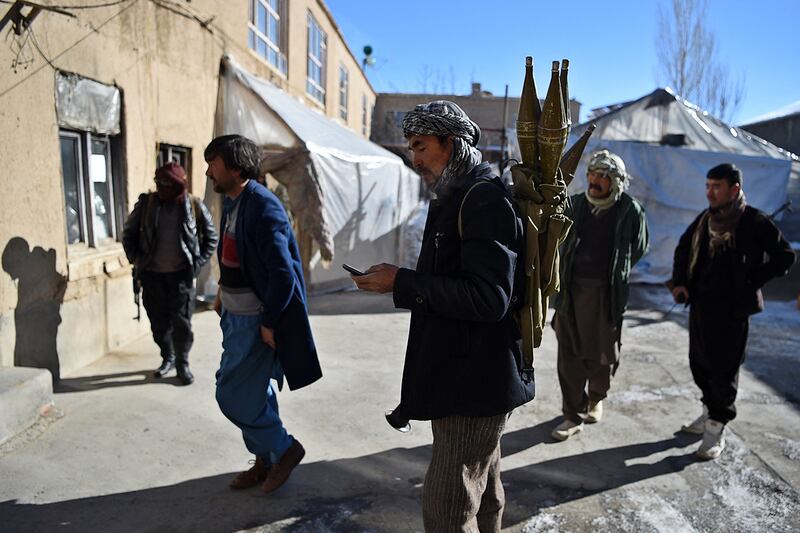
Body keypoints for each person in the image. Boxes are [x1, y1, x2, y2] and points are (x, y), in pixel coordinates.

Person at [353, 101, 534, 532]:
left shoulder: (482, 198)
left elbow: (490, 297)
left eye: (420, 145)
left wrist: (402, 282)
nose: (413, 159)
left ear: (450, 144)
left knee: (447, 512)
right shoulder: (455, 195)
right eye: (409, 147)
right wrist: (401, 282)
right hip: (464, 376)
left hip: (473, 384)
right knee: (484, 493)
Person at [205, 134, 322, 493]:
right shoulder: (233, 201)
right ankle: (265, 460)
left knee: (231, 396)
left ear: (237, 169)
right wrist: (224, 291)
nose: (209, 171)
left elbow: (283, 273)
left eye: (214, 164)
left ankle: (286, 448)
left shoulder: (264, 206)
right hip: (235, 314)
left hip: (255, 320)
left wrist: (270, 323)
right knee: (256, 394)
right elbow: (235, 254)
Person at [671, 163, 794, 460]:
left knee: (723, 370)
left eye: (717, 186)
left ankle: (716, 426)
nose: (710, 192)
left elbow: (784, 256)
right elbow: (683, 249)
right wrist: (680, 283)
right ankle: (708, 413)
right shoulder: (706, 219)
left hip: (733, 311)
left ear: (734, 188)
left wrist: (752, 281)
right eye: (708, 186)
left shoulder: (754, 221)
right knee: (699, 363)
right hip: (702, 305)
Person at [550, 150, 649, 441]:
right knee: (568, 356)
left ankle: (595, 397)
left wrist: (616, 272)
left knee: (604, 354)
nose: (595, 180)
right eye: (592, 174)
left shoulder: (629, 210)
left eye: (603, 176)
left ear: (616, 182)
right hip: (571, 292)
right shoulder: (577, 204)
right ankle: (572, 414)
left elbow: (638, 247)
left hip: (606, 295)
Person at [122, 162, 218, 385]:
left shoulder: (193, 205)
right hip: (152, 277)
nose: (161, 188)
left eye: (167, 184)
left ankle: (182, 362)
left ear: (178, 185)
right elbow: (128, 236)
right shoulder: (147, 204)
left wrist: (197, 264)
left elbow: (211, 237)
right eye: (159, 183)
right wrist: (137, 261)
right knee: (158, 324)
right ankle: (168, 357)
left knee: (182, 323)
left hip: (181, 277)